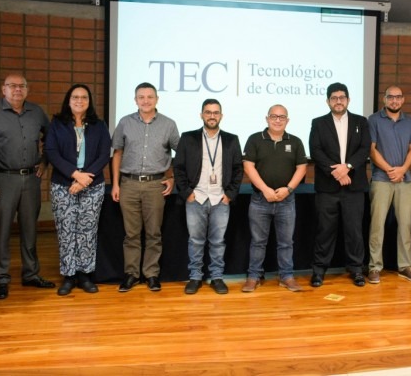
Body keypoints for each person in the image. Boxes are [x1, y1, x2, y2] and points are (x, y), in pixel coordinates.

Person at [0, 75, 53, 299]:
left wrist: (44, 161)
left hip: (31, 179)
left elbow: (52, 139)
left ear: (27, 89)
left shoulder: (36, 112)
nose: (17, 90)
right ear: (3, 89)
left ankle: (31, 274)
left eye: (21, 86)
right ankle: (1, 278)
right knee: (2, 230)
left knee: (30, 229)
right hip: (3, 178)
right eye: (12, 86)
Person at [111, 82, 180, 292]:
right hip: (128, 184)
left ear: (157, 99)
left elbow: (182, 154)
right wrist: (115, 183)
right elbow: (117, 154)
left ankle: (151, 274)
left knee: (153, 233)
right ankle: (131, 274)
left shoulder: (169, 124)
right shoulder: (124, 123)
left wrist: (172, 178)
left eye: (150, 97)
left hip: (155, 185)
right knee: (131, 234)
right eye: (141, 97)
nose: (146, 101)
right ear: (135, 100)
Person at [45, 84, 111, 296]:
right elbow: (52, 152)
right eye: (75, 97)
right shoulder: (57, 124)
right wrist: (75, 174)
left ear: (89, 101)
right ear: (68, 99)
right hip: (63, 184)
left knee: (87, 231)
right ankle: (69, 275)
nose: (79, 100)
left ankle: (85, 274)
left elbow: (103, 154)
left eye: (84, 97)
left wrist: (84, 179)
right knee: (66, 231)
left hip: (92, 185)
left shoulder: (99, 125)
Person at [173, 99, 243, 295]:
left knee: (218, 241)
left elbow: (238, 170)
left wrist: (229, 195)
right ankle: (195, 277)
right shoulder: (188, 138)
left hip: (221, 199)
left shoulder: (231, 139)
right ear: (201, 115)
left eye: (216, 112)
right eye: (208, 112)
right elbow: (178, 168)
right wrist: (188, 193)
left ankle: (217, 277)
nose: (212, 116)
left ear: (221, 115)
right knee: (195, 240)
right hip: (196, 198)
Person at [309, 82, 371, 287]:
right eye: (334, 98)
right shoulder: (318, 123)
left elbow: (364, 149)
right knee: (324, 231)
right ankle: (319, 271)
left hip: (354, 187)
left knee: (354, 231)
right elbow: (316, 151)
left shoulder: (361, 122)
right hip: (328, 187)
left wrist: (348, 166)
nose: (338, 101)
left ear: (348, 100)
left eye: (342, 97)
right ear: (328, 101)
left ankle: (356, 269)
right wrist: (336, 171)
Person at [241, 105, 308, 293]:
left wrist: (288, 189)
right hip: (260, 200)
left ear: (287, 120)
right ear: (267, 118)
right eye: (274, 116)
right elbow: (248, 166)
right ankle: (254, 276)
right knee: (257, 242)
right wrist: (265, 190)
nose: (277, 120)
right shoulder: (255, 139)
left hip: (286, 201)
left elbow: (302, 168)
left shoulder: (295, 142)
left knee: (286, 242)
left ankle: (286, 276)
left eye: (282, 117)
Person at [367, 86, 411, 284]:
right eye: (391, 97)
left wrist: (402, 170)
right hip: (382, 179)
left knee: (405, 224)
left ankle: (405, 266)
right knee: (377, 225)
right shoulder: (373, 120)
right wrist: (391, 170)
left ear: (403, 99)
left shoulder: (410, 122)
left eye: (398, 97)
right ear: (384, 99)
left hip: (405, 181)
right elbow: (372, 150)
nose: (394, 101)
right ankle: (374, 267)